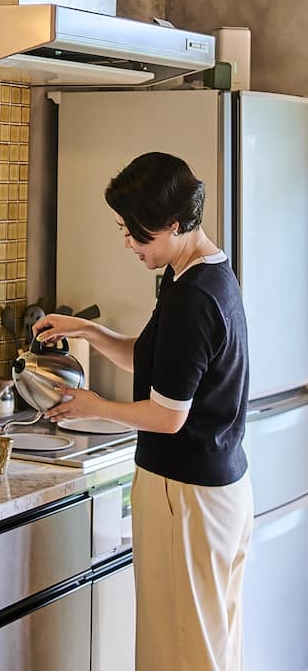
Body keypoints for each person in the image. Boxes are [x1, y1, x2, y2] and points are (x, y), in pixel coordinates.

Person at [34, 151, 253, 671]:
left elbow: (168, 416)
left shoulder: (195, 298)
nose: (130, 244)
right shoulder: (197, 274)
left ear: (174, 224)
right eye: (125, 230)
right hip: (210, 491)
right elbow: (155, 361)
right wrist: (87, 330)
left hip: (189, 497)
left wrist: (95, 406)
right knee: (202, 645)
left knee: (185, 653)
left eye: (139, 234)